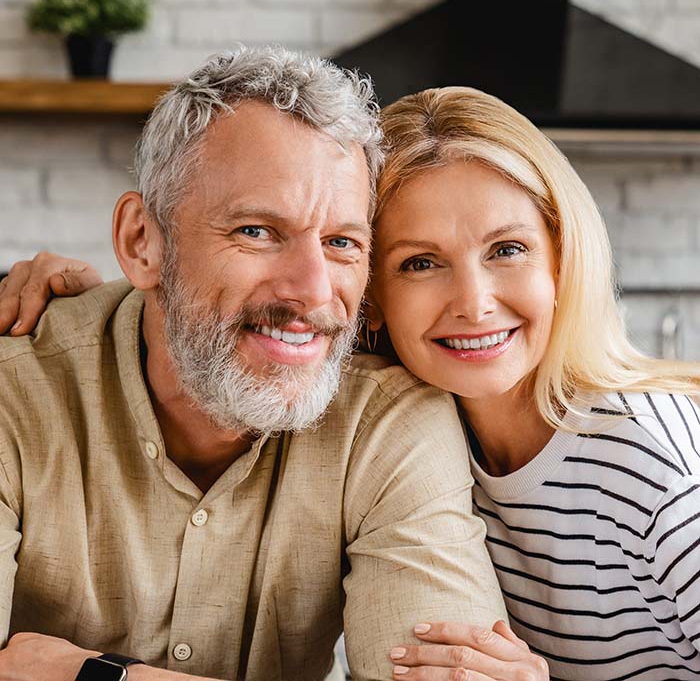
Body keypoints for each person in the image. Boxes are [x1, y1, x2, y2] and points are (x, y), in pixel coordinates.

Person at [12, 85, 700, 681]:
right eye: (420, 262)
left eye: (508, 249)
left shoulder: (647, 456)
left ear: (564, 254)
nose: (473, 302)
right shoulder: (422, 414)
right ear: (373, 295)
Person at [0, 49, 510, 681]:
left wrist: (87, 675)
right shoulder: (14, 390)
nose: (314, 292)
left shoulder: (388, 421)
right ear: (142, 242)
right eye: (257, 232)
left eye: (341, 242)